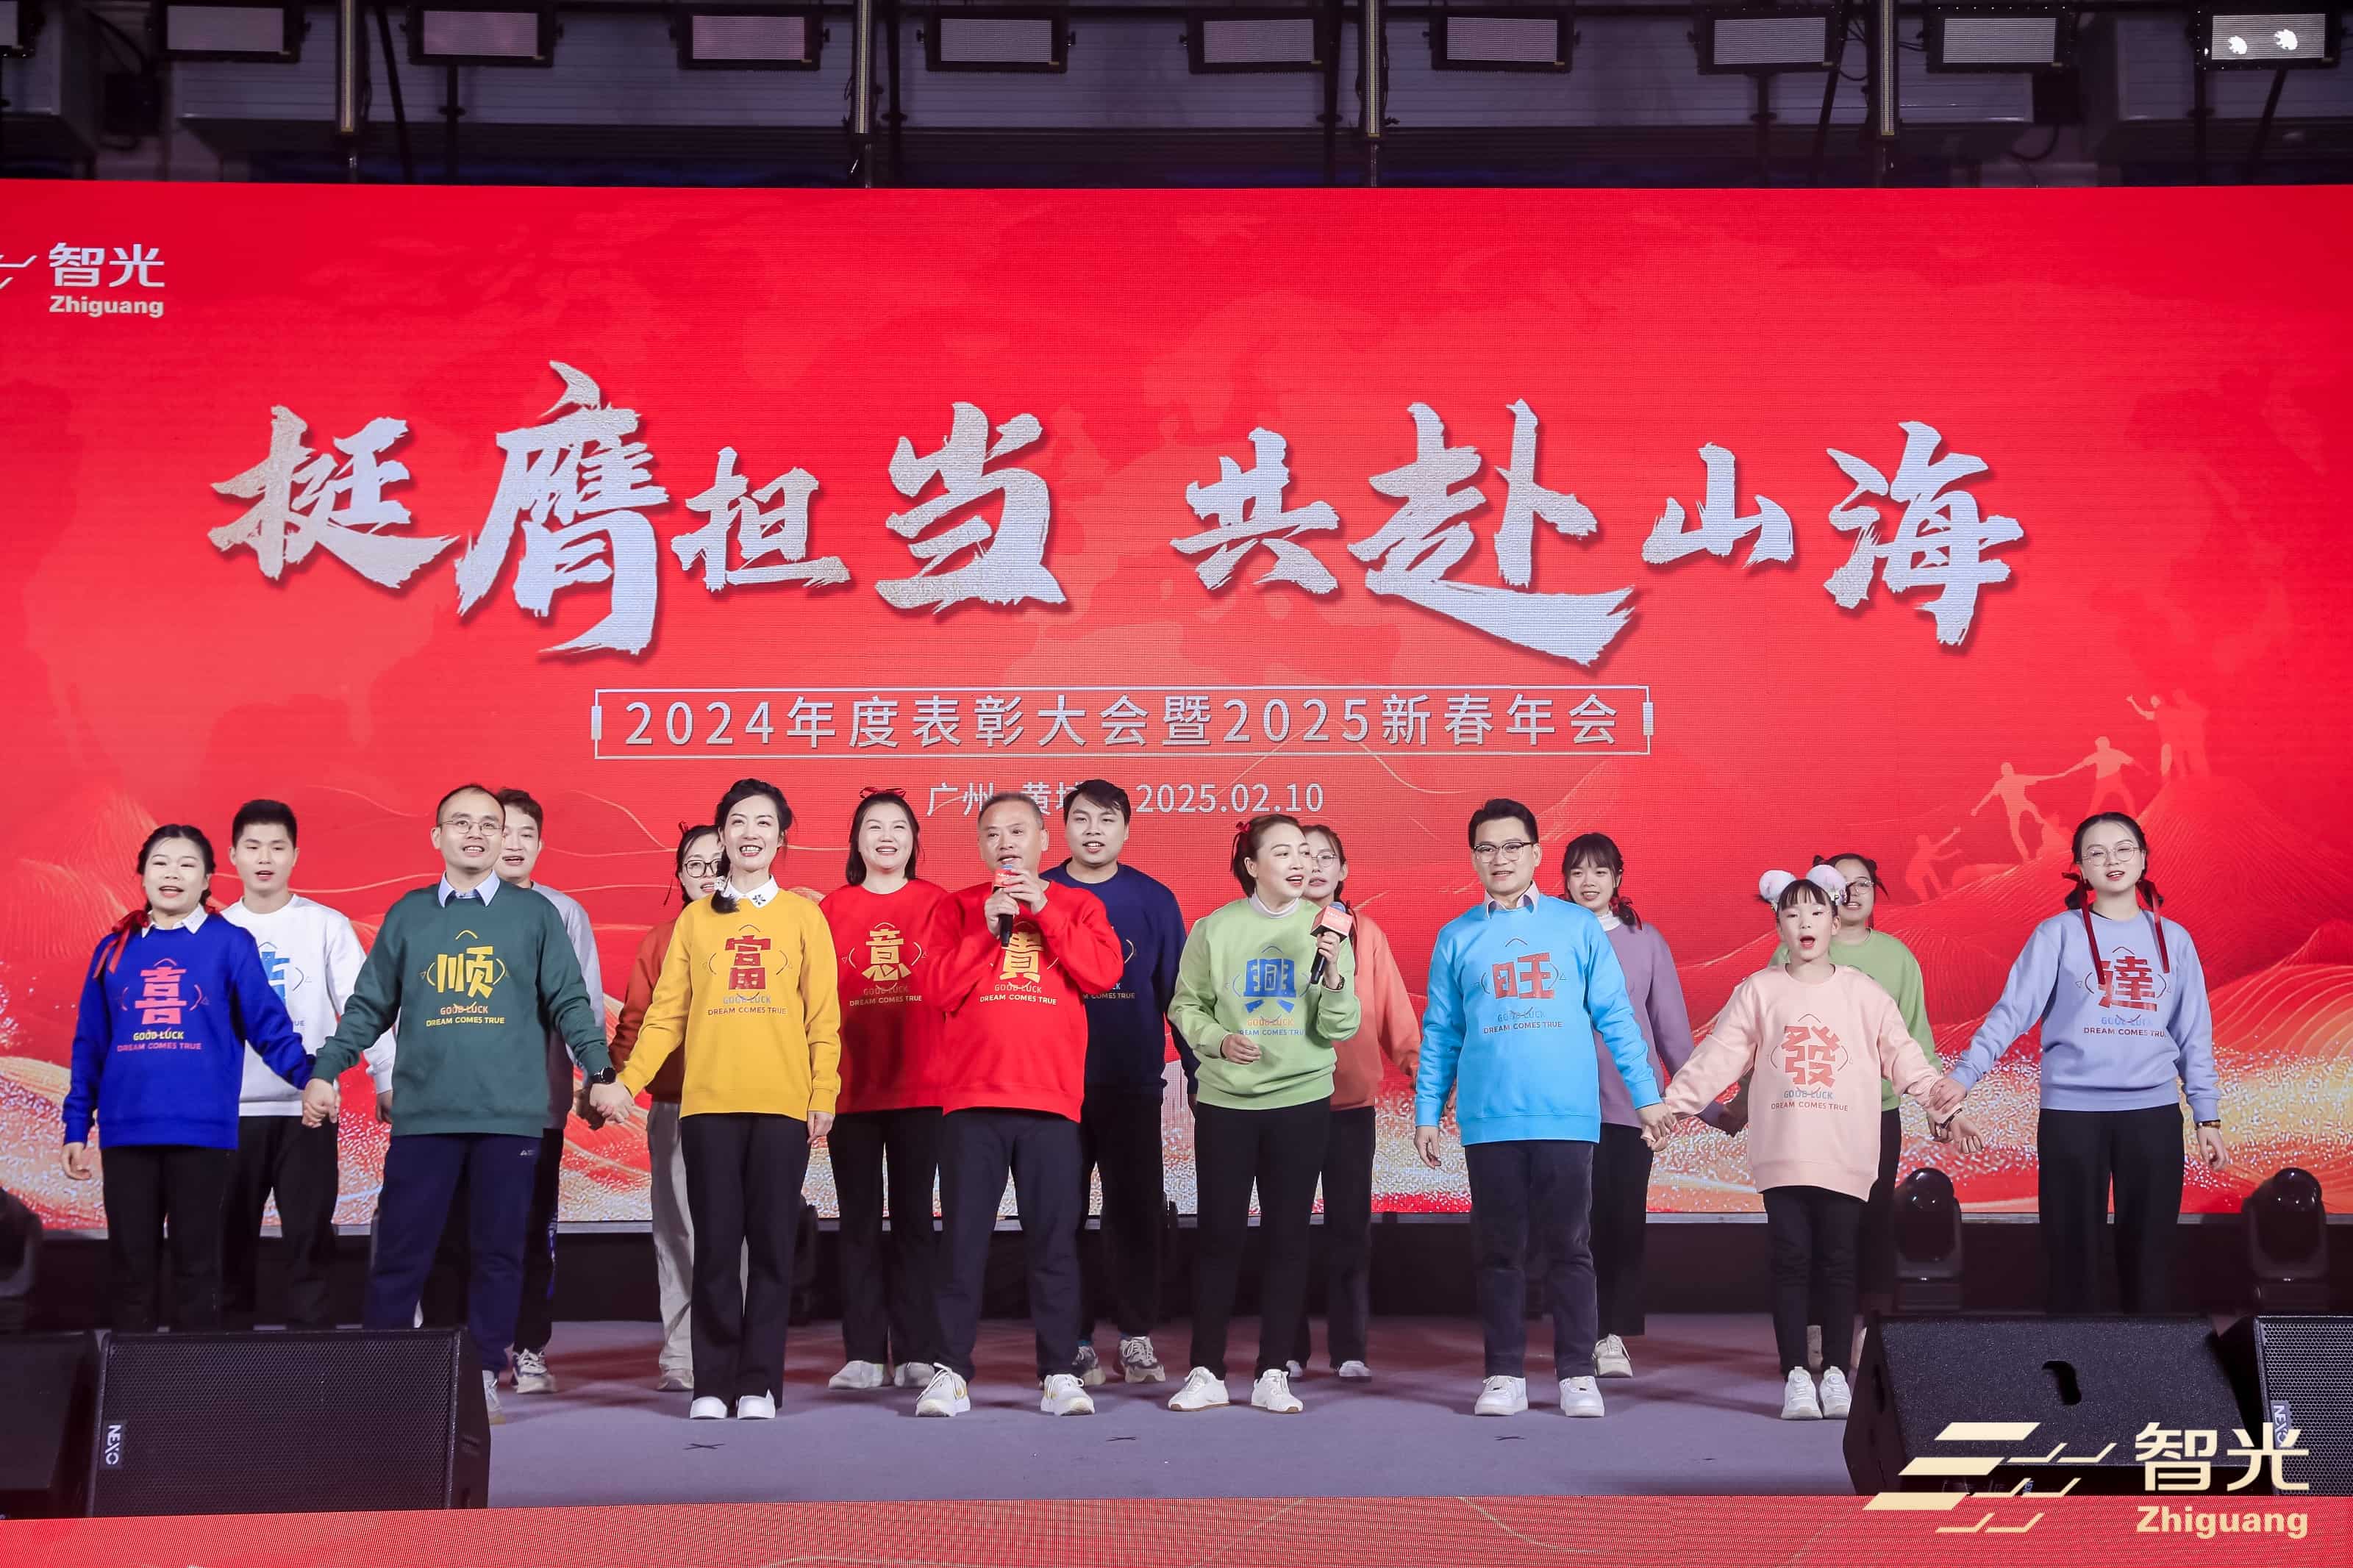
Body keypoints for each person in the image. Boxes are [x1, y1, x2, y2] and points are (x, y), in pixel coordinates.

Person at [301, 784, 632, 1425]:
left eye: (488, 824)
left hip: (509, 1118)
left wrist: (600, 1071)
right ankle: (383, 1377)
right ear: (437, 836)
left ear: (504, 836)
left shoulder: (535, 915)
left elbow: (571, 1002)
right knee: (403, 1251)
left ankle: (481, 1373)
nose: (475, 833)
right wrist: (326, 1071)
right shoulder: (410, 914)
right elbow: (369, 1005)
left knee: (499, 1252)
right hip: (426, 1116)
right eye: (461, 822)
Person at [1652, 865, 1980, 1421]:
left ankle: (1833, 1373)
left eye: (1815, 912)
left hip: (1845, 1149)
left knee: (1839, 1260)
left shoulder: (1863, 993)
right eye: (1792, 913)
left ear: (1834, 920)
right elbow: (1718, 1057)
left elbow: (1905, 1058)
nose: (1805, 923)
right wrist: (1672, 1108)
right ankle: (1796, 1377)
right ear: (1778, 925)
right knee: (1790, 1259)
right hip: (1783, 1149)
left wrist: (1946, 1107)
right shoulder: (1760, 990)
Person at [1415, 799, 1668, 1421]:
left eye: (1511, 847)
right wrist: (1426, 1111)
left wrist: (1646, 1096)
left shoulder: (1576, 927)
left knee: (1571, 1247)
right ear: (1473, 858)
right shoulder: (1457, 935)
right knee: (1499, 1251)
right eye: (1486, 848)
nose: (1499, 859)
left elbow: (1618, 1017)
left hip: (1567, 1116)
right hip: (1490, 1119)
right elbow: (1442, 1031)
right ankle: (1503, 1372)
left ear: (1534, 853)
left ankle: (1577, 1372)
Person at [1931, 812, 2227, 1315]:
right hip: (2072, 1115)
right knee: (2072, 1254)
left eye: (2124, 849)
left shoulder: (2174, 939)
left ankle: (2147, 1358)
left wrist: (2207, 1116)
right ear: (2080, 869)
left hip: (2152, 1114)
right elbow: (2011, 1013)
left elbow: (2194, 1034)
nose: (2112, 860)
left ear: (2143, 859)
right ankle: (2073, 1361)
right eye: (2097, 852)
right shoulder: (2057, 934)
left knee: (2151, 1254)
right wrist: (1965, 1075)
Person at [615, 778, 840, 1420]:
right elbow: (665, 1016)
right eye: (738, 822)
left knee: (770, 1249)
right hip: (708, 1107)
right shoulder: (696, 920)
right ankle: (711, 1383)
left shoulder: (803, 917)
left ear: (781, 836)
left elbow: (823, 1017)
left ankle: (759, 1384)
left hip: (782, 1106)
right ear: (722, 836)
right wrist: (626, 1082)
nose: (750, 833)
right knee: (714, 1247)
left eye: (763, 822)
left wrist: (823, 1090)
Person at [913, 793, 1124, 1419]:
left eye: (1018, 831)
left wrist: (1046, 911)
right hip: (971, 1100)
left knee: (1054, 1243)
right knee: (962, 1244)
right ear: (980, 845)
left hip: (1050, 1101)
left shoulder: (1078, 905)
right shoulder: (957, 908)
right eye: (992, 834)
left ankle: (1059, 1371)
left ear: (1042, 839)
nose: (1005, 843)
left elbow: (1102, 973)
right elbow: (936, 988)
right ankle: (950, 1372)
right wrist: (985, 928)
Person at [65, 825, 313, 1332]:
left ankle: (193, 1379)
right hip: (127, 1131)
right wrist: (75, 1126)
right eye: (160, 862)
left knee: (198, 1271)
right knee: (131, 1272)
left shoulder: (229, 943)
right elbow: (90, 1044)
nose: (171, 874)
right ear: (141, 874)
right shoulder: (113, 949)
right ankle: (133, 1381)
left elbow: (268, 1026)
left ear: (207, 879)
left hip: (203, 1134)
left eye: (186, 864)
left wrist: (313, 1078)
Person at [1166, 813, 1357, 1416]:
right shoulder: (1215, 928)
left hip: (1300, 1099)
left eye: (1305, 852)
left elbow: (1339, 1026)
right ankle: (1206, 1369)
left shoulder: (1328, 928)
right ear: (1251, 865)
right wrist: (1219, 1040)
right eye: (1283, 852)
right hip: (1228, 1103)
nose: (1301, 863)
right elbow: (1185, 1004)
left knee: (1288, 1236)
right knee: (1219, 1235)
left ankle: (1274, 1370)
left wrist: (1333, 971)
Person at [218, 799, 396, 1331]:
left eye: (277, 847)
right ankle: (221, 1352)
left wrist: (386, 1077)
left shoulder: (325, 926)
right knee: (226, 1240)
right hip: (228, 1115)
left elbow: (365, 1008)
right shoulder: (214, 931)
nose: (264, 858)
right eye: (252, 847)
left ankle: (314, 1353)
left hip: (308, 1109)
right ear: (232, 855)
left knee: (309, 1236)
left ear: (295, 855)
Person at [1042, 779, 1189, 1387]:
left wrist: (1197, 1073)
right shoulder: (1039, 894)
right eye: (1082, 818)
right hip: (1053, 1086)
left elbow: (1178, 995)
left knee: (1135, 1212)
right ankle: (1073, 1341)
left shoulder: (1153, 899)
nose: (1094, 830)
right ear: (1064, 827)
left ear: (1127, 830)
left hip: (1131, 1082)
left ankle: (1135, 1336)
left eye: (1107, 820)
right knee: (1061, 1216)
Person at [1772, 852, 1936, 1371]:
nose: (1852, 893)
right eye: (1840, 885)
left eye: (1862, 883)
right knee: (1810, 1228)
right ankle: (1815, 1328)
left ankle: (1869, 1327)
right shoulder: (1789, 953)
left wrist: (1939, 1103)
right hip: (1807, 1114)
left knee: (1871, 1221)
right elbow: (1768, 1035)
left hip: (1874, 1113)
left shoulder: (1896, 957)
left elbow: (1914, 1036)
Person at [820, 789, 948, 1392]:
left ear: (915, 840)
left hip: (924, 1086)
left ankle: (919, 1348)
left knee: (917, 1219)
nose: (887, 837)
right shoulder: (831, 909)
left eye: (899, 826)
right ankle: (865, 1352)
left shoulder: (938, 904)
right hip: (851, 1090)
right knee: (858, 1222)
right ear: (857, 840)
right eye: (874, 826)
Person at [1557, 831, 1693, 1382]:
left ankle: (1611, 1334)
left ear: (1617, 878)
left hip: (1630, 1107)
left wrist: (1709, 1107)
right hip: (1562, 1104)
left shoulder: (1645, 940)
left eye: (1599, 870)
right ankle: (1578, 1331)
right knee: (1572, 1225)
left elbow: (1672, 1033)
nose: (1588, 881)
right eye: (1577, 871)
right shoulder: (1549, 935)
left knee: (1621, 1220)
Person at [1289, 821, 1417, 1381]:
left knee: (1350, 1231)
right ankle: (1286, 1347)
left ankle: (1349, 1349)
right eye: (1304, 855)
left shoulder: (1365, 933)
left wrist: (1420, 1071)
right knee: (1287, 1231)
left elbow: (1393, 1010)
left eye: (1327, 857)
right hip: (1286, 1102)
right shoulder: (1272, 928)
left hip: (1350, 1106)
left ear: (1343, 869)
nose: (1315, 866)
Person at [490, 787, 604, 1396]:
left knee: (536, 1231)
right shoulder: (451, 908)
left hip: (537, 1104)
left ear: (540, 843)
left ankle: (531, 1347)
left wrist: (594, 1078)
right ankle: (476, 1353)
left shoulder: (564, 913)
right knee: (472, 1232)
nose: (513, 844)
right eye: (502, 830)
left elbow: (583, 1005)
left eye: (525, 834)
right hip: (466, 1105)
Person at [608, 822, 724, 1391]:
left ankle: (729, 1345)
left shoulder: (763, 931)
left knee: (734, 1233)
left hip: (742, 1108)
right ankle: (681, 1353)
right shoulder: (660, 941)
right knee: (677, 1231)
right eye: (695, 864)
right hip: (676, 1105)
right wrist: (611, 1083)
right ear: (679, 874)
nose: (707, 874)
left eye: (718, 862)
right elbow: (634, 1023)